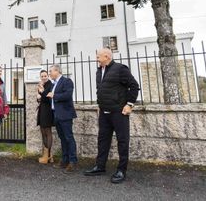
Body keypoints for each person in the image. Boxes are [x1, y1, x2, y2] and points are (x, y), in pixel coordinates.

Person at [84, 48, 139, 184]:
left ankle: (121, 170)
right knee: (102, 140)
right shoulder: (99, 71)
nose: (96, 59)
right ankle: (100, 166)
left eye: (98, 56)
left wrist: (129, 104)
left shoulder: (120, 69)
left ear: (107, 56)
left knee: (122, 141)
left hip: (119, 112)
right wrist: (99, 105)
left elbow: (134, 86)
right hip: (104, 112)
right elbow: (100, 90)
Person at [46, 64, 78, 173]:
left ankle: (72, 161)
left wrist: (54, 96)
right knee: (62, 138)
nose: (49, 73)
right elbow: (49, 95)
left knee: (69, 137)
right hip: (56, 114)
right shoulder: (53, 84)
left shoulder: (67, 81)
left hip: (65, 114)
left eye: (50, 71)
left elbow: (68, 95)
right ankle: (65, 160)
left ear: (57, 71)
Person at [37, 69, 54, 164]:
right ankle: (47, 155)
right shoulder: (41, 85)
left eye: (45, 76)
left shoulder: (50, 85)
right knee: (42, 131)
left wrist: (42, 92)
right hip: (41, 109)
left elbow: (47, 99)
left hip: (47, 110)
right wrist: (38, 95)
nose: (43, 77)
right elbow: (39, 98)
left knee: (48, 131)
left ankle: (48, 155)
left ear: (48, 76)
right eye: (42, 76)